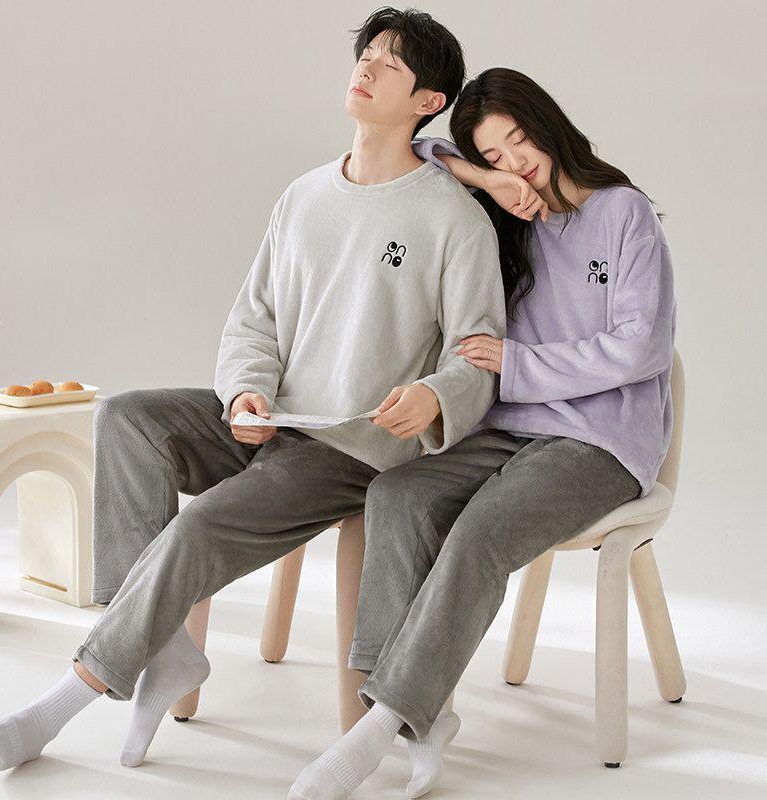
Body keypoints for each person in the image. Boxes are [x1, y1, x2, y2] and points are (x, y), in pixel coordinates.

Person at [0, 8, 508, 775]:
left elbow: (477, 358)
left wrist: (434, 395)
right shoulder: (304, 196)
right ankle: (166, 647)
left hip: (346, 445)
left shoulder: (453, 218)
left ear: (429, 100)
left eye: (390, 64)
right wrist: (244, 395)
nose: (366, 67)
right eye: (367, 54)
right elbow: (254, 320)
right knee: (127, 418)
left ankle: (59, 704)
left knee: (198, 527)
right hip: (269, 422)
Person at [288, 67, 676, 800]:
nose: (516, 162)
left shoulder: (622, 213)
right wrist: (489, 180)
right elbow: (422, 151)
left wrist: (520, 363)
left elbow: (641, 349)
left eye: (520, 140)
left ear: (548, 123)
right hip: (512, 426)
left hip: (601, 441)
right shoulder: (507, 213)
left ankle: (379, 728)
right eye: (495, 154)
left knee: (481, 532)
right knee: (397, 494)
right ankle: (417, 716)